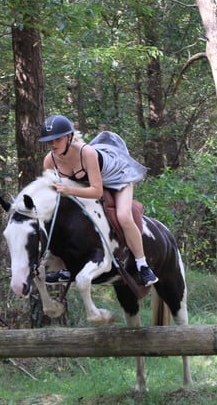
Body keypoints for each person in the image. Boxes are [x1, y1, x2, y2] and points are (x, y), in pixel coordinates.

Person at [38, 114, 159, 287]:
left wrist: (69, 190)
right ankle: (68, 267)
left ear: (69, 137)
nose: (53, 144)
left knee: (124, 216)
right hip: (88, 183)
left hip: (118, 177)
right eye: (49, 141)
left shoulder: (86, 152)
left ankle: (143, 265)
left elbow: (96, 191)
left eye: (57, 139)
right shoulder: (49, 160)